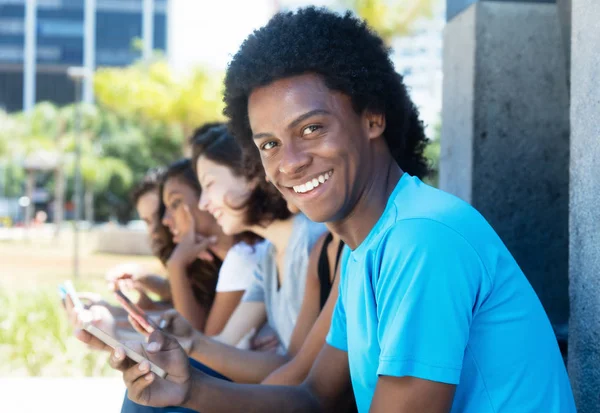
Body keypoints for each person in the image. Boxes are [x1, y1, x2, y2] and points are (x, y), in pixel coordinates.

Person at [107, 7, 576, 413]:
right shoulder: (363, 250)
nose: (289, 162)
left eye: (311, 129)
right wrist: (190, 389)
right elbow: (314, 398)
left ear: (373, 117)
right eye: (269, 143)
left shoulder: (422, 237)